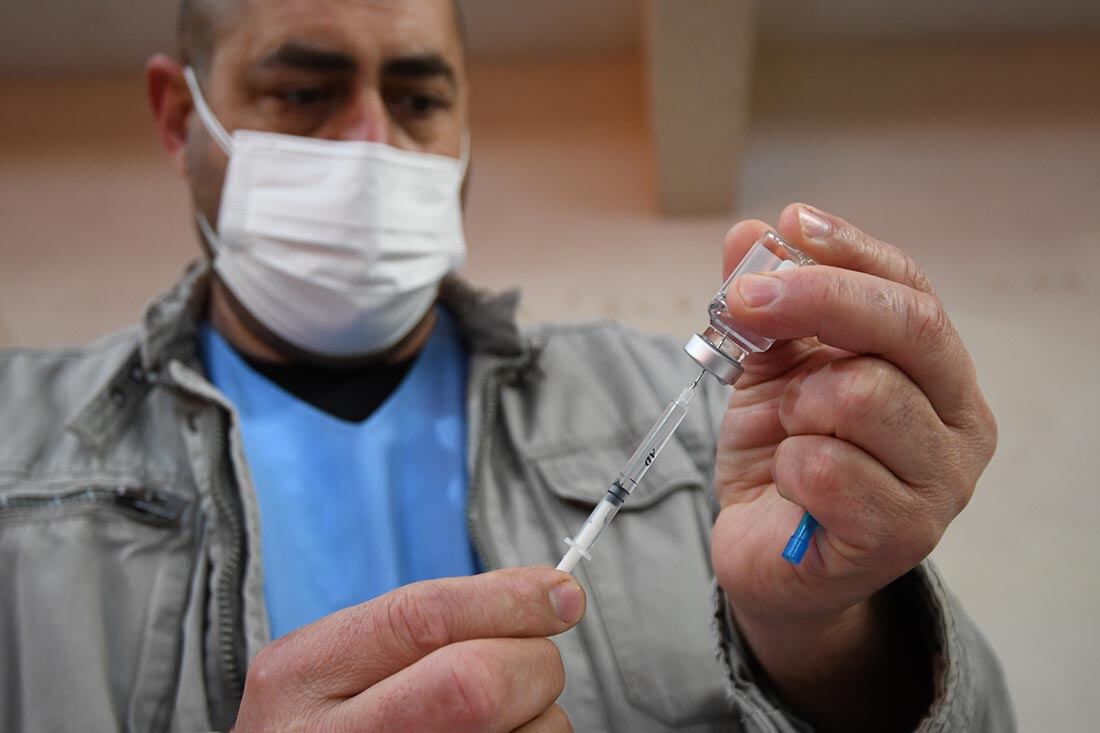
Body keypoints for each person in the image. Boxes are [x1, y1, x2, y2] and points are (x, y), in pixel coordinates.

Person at [0, 1, 1014, 731]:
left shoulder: (700, 422)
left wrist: (821, 637)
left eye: (417, 96)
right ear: (180, 117)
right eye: (304, 90)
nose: (370, 144)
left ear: (466, 122)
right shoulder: (18, 441)